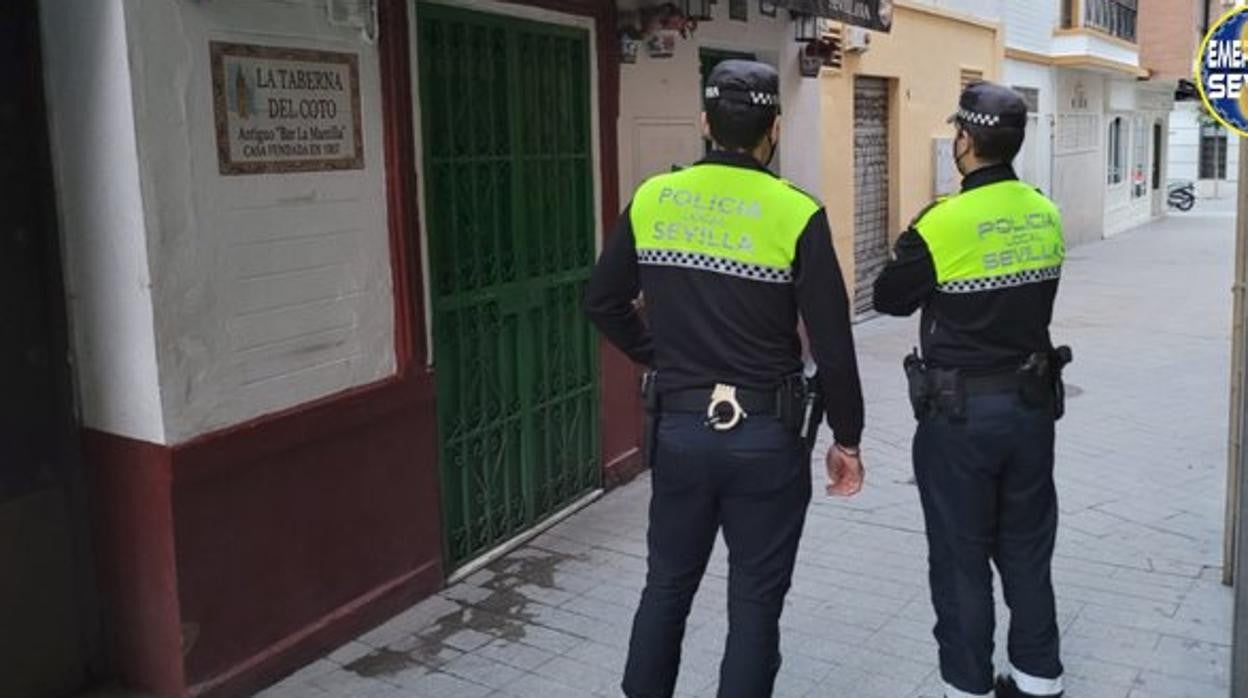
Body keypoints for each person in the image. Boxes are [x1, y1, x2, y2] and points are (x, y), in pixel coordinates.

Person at [584, 60, 866, 698]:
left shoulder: (654, 198)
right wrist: (846, 439)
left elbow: (602, 301)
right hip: (768, 438)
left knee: (666, 588)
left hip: (680, 433)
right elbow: (833, 341)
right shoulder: (797, 213)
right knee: (755, 605)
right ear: (774, 129)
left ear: (705, 124)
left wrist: (656, 355)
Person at [873, 81, 1069, 698]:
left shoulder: (941, 223)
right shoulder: (1045, 211)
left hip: (958, 418)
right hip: (1031, 408)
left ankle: (967, 683)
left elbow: (888, 298)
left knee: (961, 553)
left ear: (964, 140)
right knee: (1027, 545)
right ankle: (1040, 679)